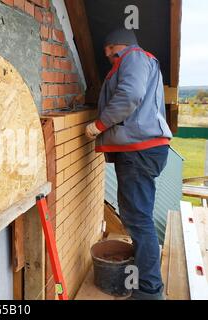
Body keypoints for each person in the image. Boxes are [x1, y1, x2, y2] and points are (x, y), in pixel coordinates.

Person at [85, 28, 173, 300]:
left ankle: (148, 291)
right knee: (139, 220)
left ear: (115, 46)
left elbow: (130, 95)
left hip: (139, 151)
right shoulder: (144, 61)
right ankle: (148, 282)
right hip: (144, 150)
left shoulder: (133, 57)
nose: (108, 57)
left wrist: (99, 125)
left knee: (138, 222)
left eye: (108, 52)